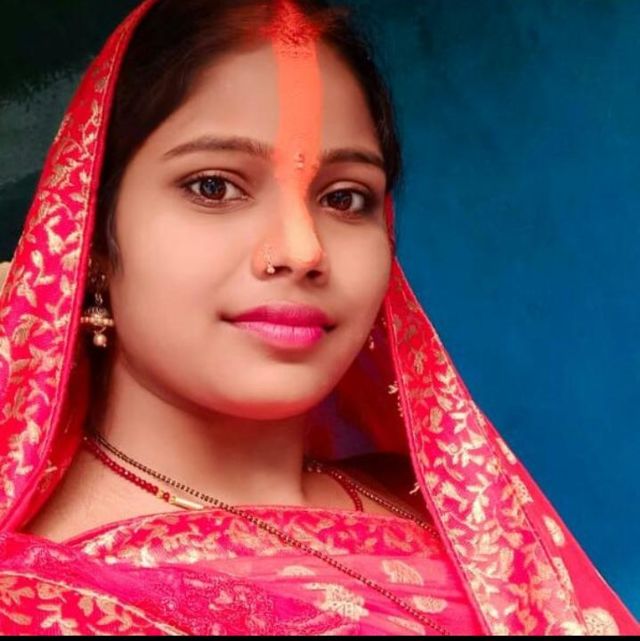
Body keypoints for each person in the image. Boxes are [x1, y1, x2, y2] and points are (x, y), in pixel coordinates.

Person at [0, 0, 637, 635]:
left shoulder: (457, 515)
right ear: (91, 236)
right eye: (214, 186)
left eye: (345, 197)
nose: (303, 250)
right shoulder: (41, 601)